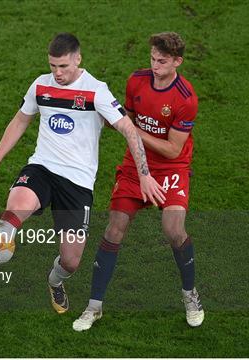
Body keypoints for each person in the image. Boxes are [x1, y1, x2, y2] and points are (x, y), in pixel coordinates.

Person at [0, 33, 164, 314]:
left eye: (63, 66)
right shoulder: (40, 86)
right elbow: (21, 120)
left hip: (77, 183)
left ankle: (54, 281)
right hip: (42, 168)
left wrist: (144, 174)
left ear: (78, 59)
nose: (57, 73)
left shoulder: (96, 91)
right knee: (15, 209)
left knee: (71, 262)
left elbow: (128, 129)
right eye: (52, 66)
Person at [73, 32, 204, 330]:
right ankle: (94, 307)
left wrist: (132, 130)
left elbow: (172, 148)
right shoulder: (137, 81)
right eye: (152, 59)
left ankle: (189, 294)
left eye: (162, 61)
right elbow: (125, 116)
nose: (155, 65)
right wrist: (121, 123)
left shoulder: (186, 99)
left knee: (173, 230)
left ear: (177, 62)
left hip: (172, 168)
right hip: (134, 166)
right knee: (114, 228)